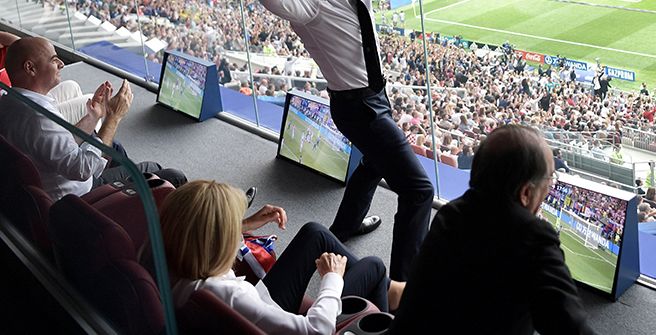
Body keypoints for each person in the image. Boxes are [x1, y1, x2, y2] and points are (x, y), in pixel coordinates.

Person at [251, 0, 436, 281]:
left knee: (374, 162)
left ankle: (347, 225)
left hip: (375, 98)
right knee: (419, 191)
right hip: (356, 107)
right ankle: (404, 287)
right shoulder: (308, 6)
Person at [388, 125, 593, 335]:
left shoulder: (449, 215)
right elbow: (570, 327)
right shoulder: (533, 237)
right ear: (525, 193)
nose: (550, 187)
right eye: (549, 179)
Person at [160, 180, 403, 335]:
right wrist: (332, 279)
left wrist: (247, 223)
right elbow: (316, 331)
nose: (236, 229)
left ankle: (389, 290)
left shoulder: (171, 261)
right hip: (274, 315)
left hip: (262, 303)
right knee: (374, 266)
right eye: (230, 225)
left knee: (314, 233)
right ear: (214, 242)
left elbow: (202, 236)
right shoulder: (233, 296)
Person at [0, 37, 185, 201]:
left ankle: (132, 201)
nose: (61, 64)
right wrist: (113, 117)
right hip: (79, 198)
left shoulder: (10, 102)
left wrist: (93, 116)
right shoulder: (38, 118)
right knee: (170, 175)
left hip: (56, 186)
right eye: (53, 60)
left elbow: (59, 144)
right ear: (30, 68)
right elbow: (82, 169)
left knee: (117, 149)